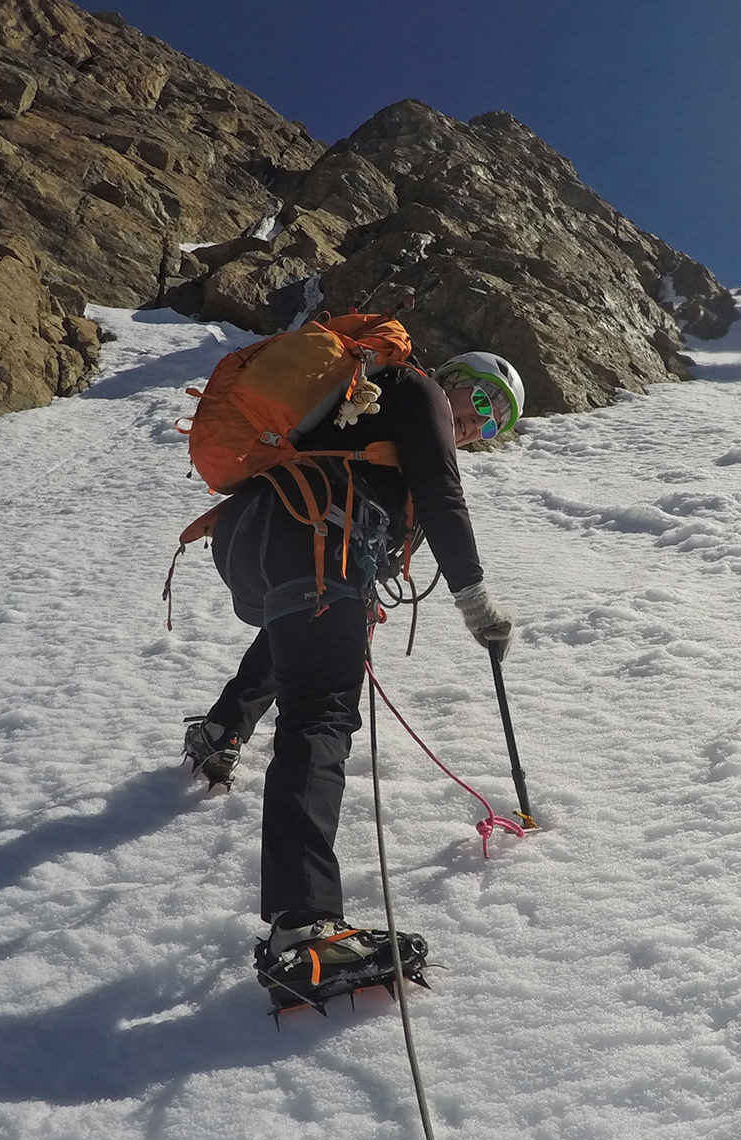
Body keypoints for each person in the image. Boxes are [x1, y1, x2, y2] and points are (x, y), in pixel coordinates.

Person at [182, 350, 525, 996]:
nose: (483, 423)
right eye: (481, 402)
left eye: (498, 421)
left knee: (306, 650)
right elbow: (444, 498)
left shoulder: (373, 407)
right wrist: (474, 599)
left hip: (267, 535)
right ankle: (304, 926)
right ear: (454, 379)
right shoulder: (417, 391)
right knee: (323, 708)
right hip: (311, 534)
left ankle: (222, 728)